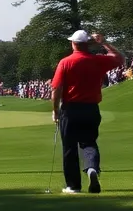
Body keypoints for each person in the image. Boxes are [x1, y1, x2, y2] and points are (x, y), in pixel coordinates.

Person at [51, 30, 124, 194]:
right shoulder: (97, 60)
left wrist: (55, 110)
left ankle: (73, 185)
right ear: (87, 44)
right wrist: (104, 43)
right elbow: (120, 58)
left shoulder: (65, 62)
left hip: (70, 109)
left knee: (70, 148)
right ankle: (92, 169)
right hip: (91, 109)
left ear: (73, 44)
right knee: (89, 142)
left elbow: (56, 89)